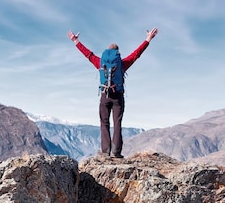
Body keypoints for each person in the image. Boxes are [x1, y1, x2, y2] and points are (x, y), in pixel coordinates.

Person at [67, 27, 158, 158]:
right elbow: (137, 54)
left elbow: (88, 55)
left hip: (104, 95)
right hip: (118, 97)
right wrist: (148, 39)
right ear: (117, 53)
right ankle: (116, 152)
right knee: (117, 123)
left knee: (104, 123)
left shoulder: (100, 62)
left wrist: (76, 41)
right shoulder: (122, 63)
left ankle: (105, 152)